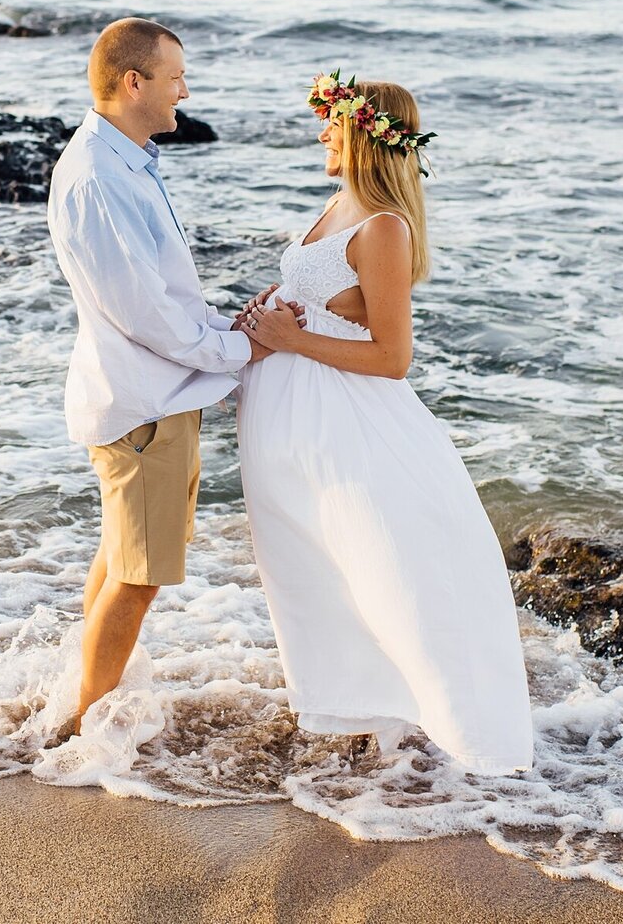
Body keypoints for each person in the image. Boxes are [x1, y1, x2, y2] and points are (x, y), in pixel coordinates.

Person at [233, 71, 534, 771]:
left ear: (364, 134)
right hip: (298, 430)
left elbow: (393, 356)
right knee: (322, 572)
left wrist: (289, 338)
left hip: (353, 427)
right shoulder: (332, 208)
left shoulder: (384, 228)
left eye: (331, 123)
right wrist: (259, 321)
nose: (320, 134)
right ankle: (359, 716)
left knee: (393, 571)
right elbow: (309, 302)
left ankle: (450, 728)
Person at [44, 17, 301, 742]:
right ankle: (85, 735)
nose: (183, 90)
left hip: (150, 395)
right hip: (143, 403)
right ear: (134, 83)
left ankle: (81, 696)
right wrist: (239, 351)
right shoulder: (100, 178)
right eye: (174, 76)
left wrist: (224, 329)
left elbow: (160, 295)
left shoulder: (124, 162)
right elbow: (142, 311)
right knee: (138, 574)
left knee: (121, 559)